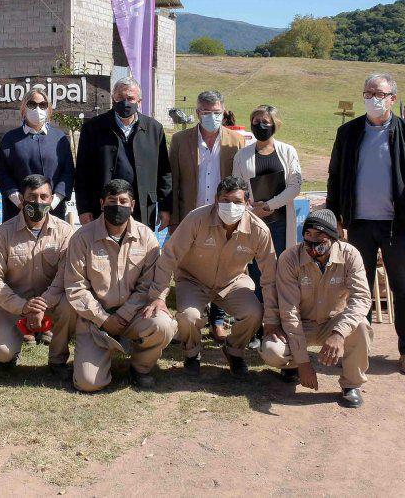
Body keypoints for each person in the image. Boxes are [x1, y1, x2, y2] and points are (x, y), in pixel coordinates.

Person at [326, 73, 405, 376]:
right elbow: (334, 176)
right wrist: (334, 216)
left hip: (396, 226)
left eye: (381, 94)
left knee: (402, 289)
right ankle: (362, 350)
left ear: (393, 99)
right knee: (359, 290)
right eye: (369, 93)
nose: (375, 98)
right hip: (359, 223)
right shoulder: (348, 132)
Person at [155, 176, 276, 377]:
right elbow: (169, 256)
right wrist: (159, 296)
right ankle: (192, 353)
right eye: (225, 200)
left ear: (247, 203)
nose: (231, 206)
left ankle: (234, 351)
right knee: (188, 317)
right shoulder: (196, 219)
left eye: (237, 202)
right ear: (215, 199)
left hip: (233, 281)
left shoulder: (259, 230)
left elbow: (270, 276)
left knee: (254, 312)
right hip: (193, 280)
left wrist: (271, 317)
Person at [64, 179, 177, 392]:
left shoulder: (147, 238)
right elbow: (75, 287)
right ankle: (99, 353)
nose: (118, 205)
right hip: (95, 321)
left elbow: (148, 285)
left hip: (134, 315)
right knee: (89, 383)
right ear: (101, 203)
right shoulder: (82, 238)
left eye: (123, 201)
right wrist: (104, 319)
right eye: (112, 200)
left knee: (164, 325)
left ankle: (140, 367)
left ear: (133, 205)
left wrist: (123, 315)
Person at [259, 209, 373, 408]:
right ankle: (292, 366)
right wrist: (303, 363)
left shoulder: (350, 255)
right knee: (271, 350)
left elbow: (362, 298)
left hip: (333, 322)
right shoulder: (290, 258)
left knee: (361, 326)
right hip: (301, 324)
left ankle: (351, 385)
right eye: (308, 235)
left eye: (320, 236)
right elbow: (289, 311)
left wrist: (339, 332)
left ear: (333, 237)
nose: (313, 242)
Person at [168, 91, 246, 343]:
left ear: (223, 111)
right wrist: (176, 219)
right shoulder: (180, 140)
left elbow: (242, 183)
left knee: (224, 266)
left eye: (216, 112)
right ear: (197, 112)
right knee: (192, 266)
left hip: (226, 215)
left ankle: (218, 320)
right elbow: (174, 182)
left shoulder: (236, 141)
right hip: (192, 215)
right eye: (205, 111)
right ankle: (193, 317)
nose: (211, 116)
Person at [0, 173, 77, 376]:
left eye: (44, 197)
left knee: (70, 303)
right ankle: (10, 346)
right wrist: (23, 306)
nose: (38, 202)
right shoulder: (3, 233)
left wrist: (41, 305)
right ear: (22, 199)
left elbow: (65, 276)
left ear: (52, 199)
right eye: (32, 196)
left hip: (51, 304)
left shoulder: (65, 233)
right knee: (2, 353)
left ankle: (58, 359)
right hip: (13, 305)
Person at [233, 105, 303, 348]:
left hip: (281, 222)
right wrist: (253, 210)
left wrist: (271, 205)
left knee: (282, 274)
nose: (260, 125)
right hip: (255, 222)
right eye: (255, 121)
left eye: (264, 121)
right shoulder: (242, 155)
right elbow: (238, 189)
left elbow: (295, 185)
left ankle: (281, 326)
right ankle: (258, 326)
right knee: (257, 273)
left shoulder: (288, 151)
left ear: (275, 123)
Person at [74, 77, 172, 230]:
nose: (125, 102)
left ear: (139, 100)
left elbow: (164, 172)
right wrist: (83, 208)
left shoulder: (154, 129)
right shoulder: (93, 128)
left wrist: (165, 208)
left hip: (142, 208)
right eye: (120, 97)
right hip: (102, 206)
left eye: (130, 98)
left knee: (139, 250)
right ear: (113, 98)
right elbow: (81, 172)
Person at [0, 85, 75, 222]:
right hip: (18, 212)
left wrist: (55, 200)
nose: (37, 109)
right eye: (32, 104)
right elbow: (2, 173)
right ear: (24, 108)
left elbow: (68, 172)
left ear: (48, 109)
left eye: (42, 105)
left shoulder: (59, 138)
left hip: (53, 212)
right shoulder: (10, 139)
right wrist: (16, 198)